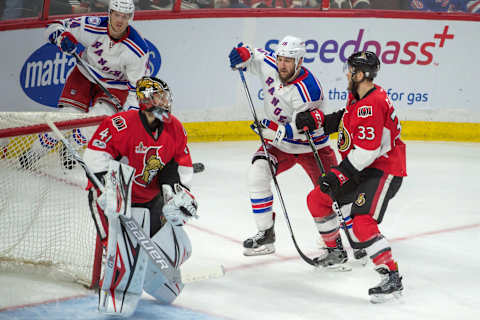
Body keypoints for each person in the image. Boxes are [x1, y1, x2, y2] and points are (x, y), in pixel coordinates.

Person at [295, 51, 406, 302]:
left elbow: (368, 151)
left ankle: (392, 278)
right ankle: (335, 252)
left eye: (352, 70)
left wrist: (338, 174)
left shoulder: (372, 104)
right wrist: (318, 120)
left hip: (382, 170)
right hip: (362, 167)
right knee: (317, 199)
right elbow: (345, 120)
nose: (348, 73)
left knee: (362, 223)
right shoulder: (358, 96)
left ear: (362, 74)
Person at [83, 76, 197, 315]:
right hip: (112, 198)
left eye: (166, 96)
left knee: (179, 252)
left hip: (148, 198)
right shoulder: (119, 124)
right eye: (159, 96)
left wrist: (176, 195)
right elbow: (94, 156)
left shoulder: (174, 127)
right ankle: (116, 293)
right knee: (123, 258)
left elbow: (177, 168)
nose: (165, 102)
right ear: (145, 100)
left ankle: (147, 275)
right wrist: (108, 188)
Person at [228, 36, 338, 256]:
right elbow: (250, 53)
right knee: (257, 173)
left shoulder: (308, 90)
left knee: (333, 195)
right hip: (280, 145)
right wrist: (242, 55)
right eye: (280, 58)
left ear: (299, 61)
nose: (282, 64)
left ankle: (341, 241)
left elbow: (300, 129)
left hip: (311, 146)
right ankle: (266, 235)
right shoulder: (271, 65)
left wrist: (273, 131)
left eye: (289, 60)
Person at [19, 0, 150, 170]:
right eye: (117, 14)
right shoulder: (92, 26)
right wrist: (60, 37)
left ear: (131, 17)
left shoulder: (137, 49)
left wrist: (129, 114)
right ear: (109, 13)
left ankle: (70, 148)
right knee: (67, 117)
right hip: (85, 74)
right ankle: (35, 152)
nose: (120, 20)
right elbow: (53, 27)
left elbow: (137, 89)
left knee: (94, 122)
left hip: (116, 87)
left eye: (125, 16)